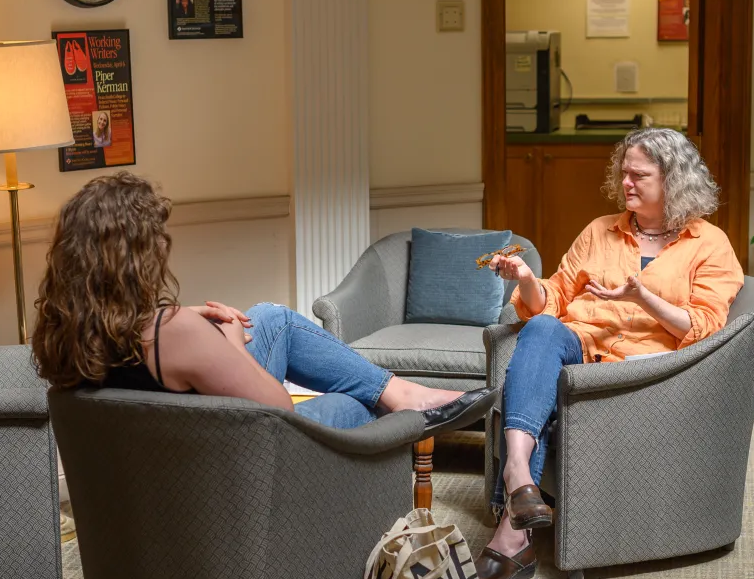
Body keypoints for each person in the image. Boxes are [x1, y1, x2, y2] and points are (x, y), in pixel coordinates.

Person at [475, 127, 744, 579]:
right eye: (624, 173)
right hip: (580, 346)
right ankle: (519, 472)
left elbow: (703, 328)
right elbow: (551, 301)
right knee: (539, 329)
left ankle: (510, 535)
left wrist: (642, 296)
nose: (627, 184)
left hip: (642, 370)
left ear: (674, 180)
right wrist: (524, 279)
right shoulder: (600, 230)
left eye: (639, 175)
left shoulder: (710, 244)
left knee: (535, 394)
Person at [32, 172, 495, 436]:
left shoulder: (64, 331)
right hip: (235, 455)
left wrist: (189, 315)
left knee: (271, 318)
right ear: (134, 260)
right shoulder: (173, 333)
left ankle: (403, 393)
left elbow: (147, 351)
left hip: (166, 454)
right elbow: (278, 408)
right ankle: (406, 403)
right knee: (354, 405)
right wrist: (229, 342)